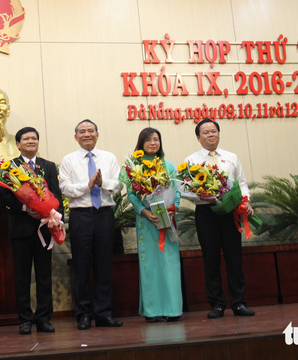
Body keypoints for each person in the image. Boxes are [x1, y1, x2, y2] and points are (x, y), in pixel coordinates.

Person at [184, 118, 255, 319]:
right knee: (211, 259)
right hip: (206, 213)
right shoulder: (191, 161)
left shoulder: (231, 157)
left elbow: (242, 182)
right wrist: (201, 196)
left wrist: (246, 201)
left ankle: (239, 303)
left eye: (214, 131)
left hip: (231, 212)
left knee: (235, 258)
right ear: (198, 137)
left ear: (219, 134)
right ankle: (217, 304)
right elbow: (185, 189)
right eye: (205, 132)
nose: (210, 135)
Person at [59, 119, 123, 330]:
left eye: (91, 131)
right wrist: (87, 186)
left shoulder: (109, 157)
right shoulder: (69, 160)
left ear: (97, 134)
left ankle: (104, 314)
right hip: (80, 217)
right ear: (76, 136)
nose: (87, 134)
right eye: (82, 132)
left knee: (104, 266)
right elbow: (65, 188)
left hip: (104, 214)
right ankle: (83, 315)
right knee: (81, 265)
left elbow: (118, 184)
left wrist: (102, 183)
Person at [0, 127, 63, 335]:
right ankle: (25, 319)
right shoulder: (9, 167)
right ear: (17, 144)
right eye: (25, 139)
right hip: (21, 229)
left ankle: (44, 318)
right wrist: (27, 208)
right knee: (22, 276)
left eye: (34, 138)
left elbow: (57, 195)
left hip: (45, 229)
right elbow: (5, 199)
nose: (30, 141)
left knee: (45, 275)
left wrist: (52, 215)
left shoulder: (48, 166)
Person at [125, 127, 183, 322]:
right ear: (141, 143)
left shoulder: (169, 165)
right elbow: (132, 194)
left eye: (156, 139)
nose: (153, 143)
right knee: (150, 265)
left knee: (169, 264)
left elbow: (176, 190)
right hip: (147, 221)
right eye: (148, 140)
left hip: (167, 219)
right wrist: (145, 212)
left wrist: (172, 207)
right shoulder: (133, 167)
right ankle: (153, 311)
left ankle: (173, 309)